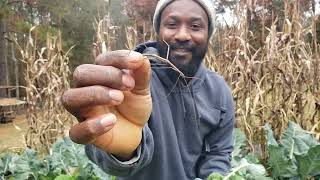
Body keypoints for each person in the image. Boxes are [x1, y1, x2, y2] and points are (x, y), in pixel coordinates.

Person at [61, 0, 235, 179]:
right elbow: (108, 149)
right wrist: (123, 153)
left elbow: (219, 153)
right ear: (158, 31)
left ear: (208, 34)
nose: (182, 35)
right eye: (172, 24)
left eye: (195, 26)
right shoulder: (131, 82)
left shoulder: (220, 92)